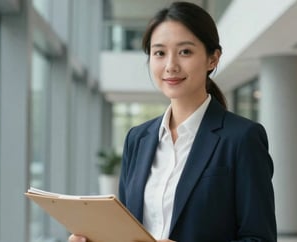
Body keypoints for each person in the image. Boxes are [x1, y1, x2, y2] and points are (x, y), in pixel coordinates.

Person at [69, 1, 277, 242]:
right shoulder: (137, 139)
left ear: (213, 59)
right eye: (159, 53)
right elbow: (126, 232)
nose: (170, 65)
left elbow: (260, 238)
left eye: (185, 52)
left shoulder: (242, 138)